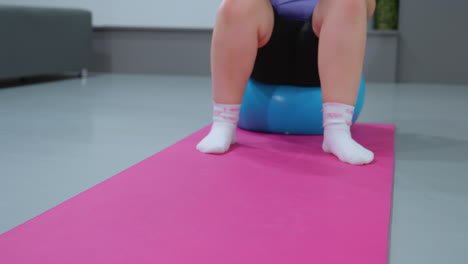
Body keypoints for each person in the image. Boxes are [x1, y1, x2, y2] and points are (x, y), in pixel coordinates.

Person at [196, 0, 376, 165]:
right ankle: (223, 123)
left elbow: (366, 9)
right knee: (238, 3)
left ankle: (337, 132)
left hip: (323, 46)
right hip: (265, 46)